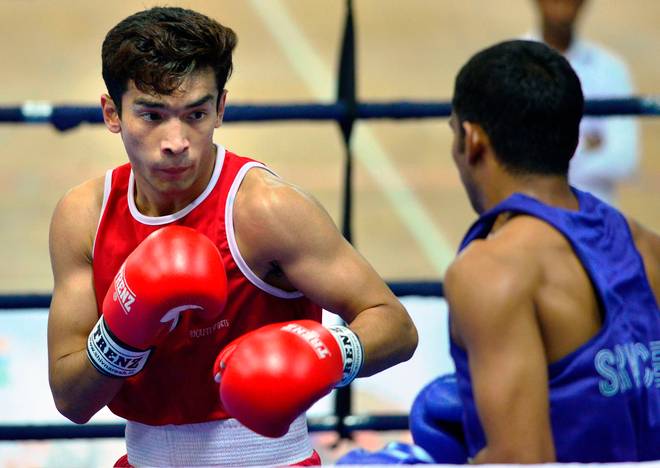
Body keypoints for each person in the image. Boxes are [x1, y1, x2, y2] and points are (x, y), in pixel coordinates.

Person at [47, 6, 418, 467]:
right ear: (112, 113)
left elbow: (395, 325)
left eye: (196, 114)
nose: (176, 140)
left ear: (220, 108)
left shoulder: (264, 209)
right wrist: (123, 334)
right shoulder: (85, 216)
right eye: (152, 115)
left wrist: (328, 355)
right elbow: (71, 399)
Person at [444, 39, 660, 463]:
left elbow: (523, 460)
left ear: (472, 140)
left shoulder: (491, 271)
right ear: (573, 138)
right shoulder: (648, 247)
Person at [528, 0, 639, 204]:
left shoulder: (611, 68)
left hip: (594, 224)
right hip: (529, 219)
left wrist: (544, 150)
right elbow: (506, 156)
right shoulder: (511, 63)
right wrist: (586, 143)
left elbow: (624, 160)